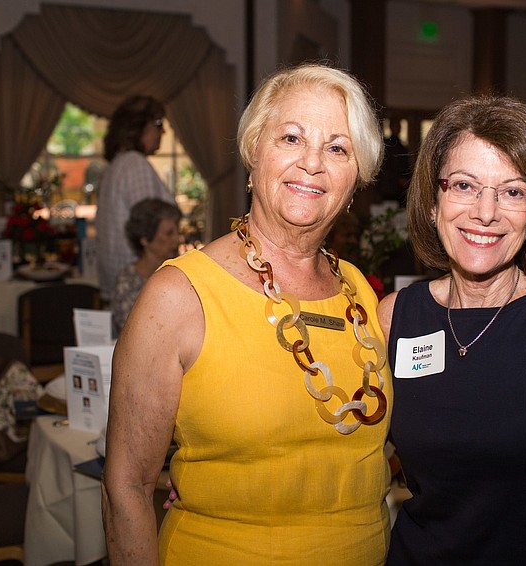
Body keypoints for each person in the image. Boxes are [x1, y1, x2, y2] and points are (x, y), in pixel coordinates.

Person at [101, 63, 391, 564]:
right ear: (254, 152)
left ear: (356, 180)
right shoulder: (178, 296)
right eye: (291, 138)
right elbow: (127, 485)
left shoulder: (361, 294)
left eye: (338, 148)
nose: (313, 164)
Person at [377, 95, 526, 564]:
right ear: (433, 202)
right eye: (465, 186)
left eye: (512, 192)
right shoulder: (394, 316)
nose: (485, 212)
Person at [96, 95, 175, 303]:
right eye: (158, 124)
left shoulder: (117, 164)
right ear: (138, 127)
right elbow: (151, 225)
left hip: (120, 284)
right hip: (137, 285)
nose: (163, 131)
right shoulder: (135, 165)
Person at [110, 198, 183, 337]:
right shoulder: (127, 282)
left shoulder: (181, 272)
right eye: (169, 233)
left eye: (177, 232)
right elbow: (135, 334)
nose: (177, 239)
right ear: (145, 239)